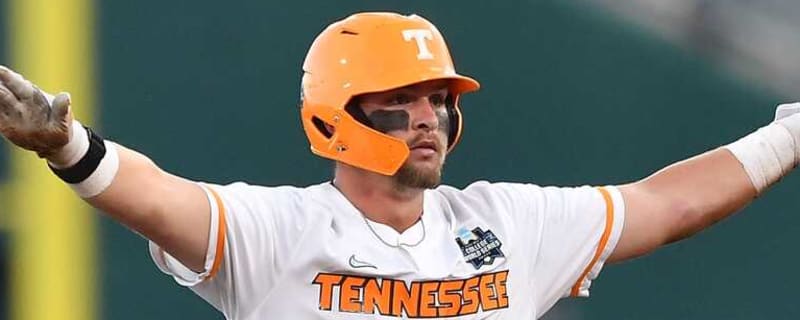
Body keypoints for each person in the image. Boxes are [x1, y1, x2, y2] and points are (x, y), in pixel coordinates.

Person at [0, 11, 796, 320]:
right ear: (336, 115)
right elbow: (159, 197)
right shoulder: (282, 231)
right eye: (400, 99)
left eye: (438, 99)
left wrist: (788, 135)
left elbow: (665, 206)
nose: (428, 117)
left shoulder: (504, 223)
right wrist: (68, 146)